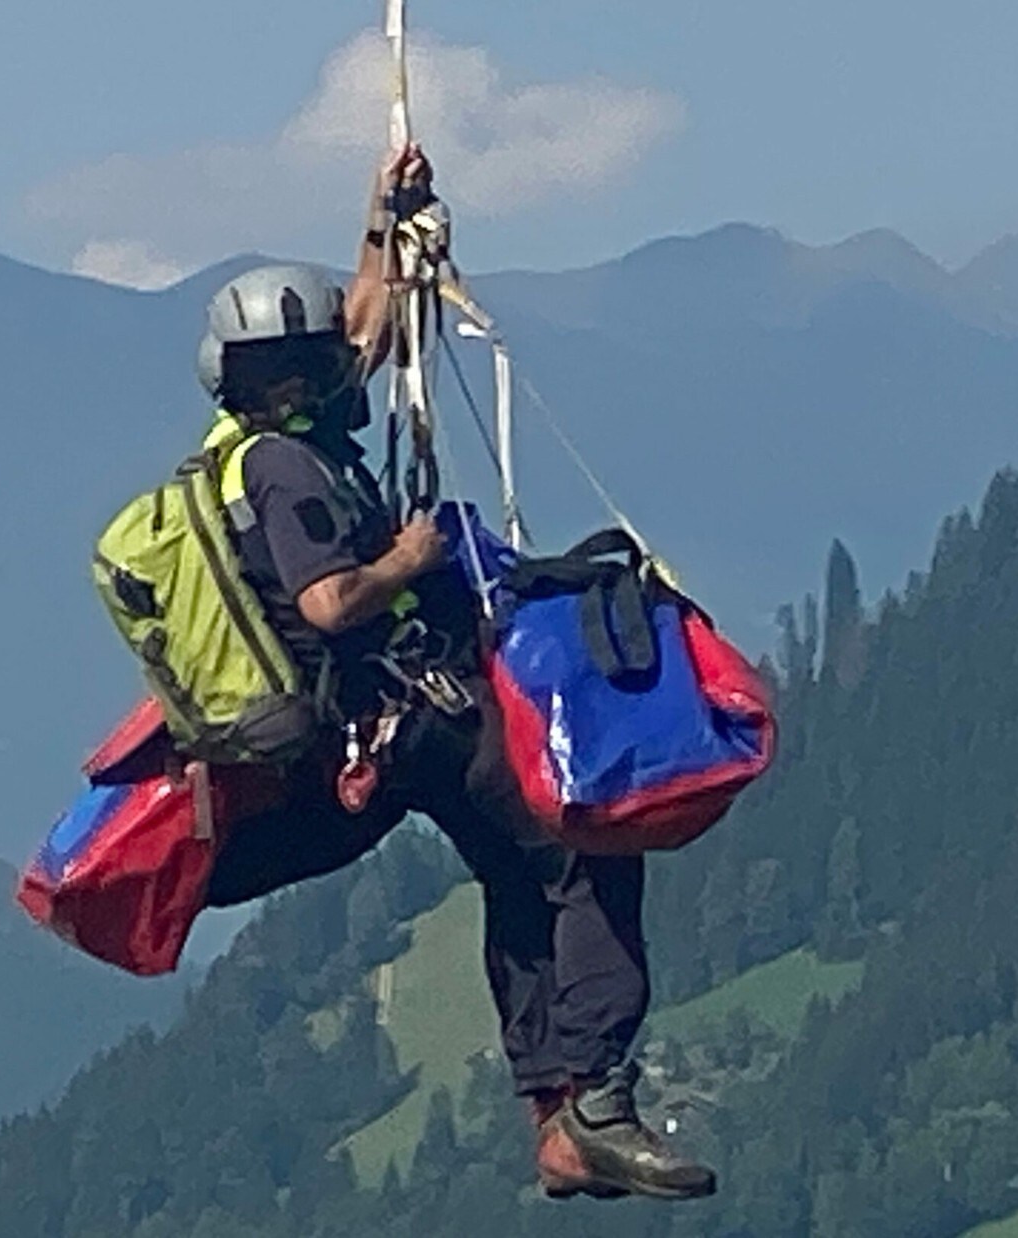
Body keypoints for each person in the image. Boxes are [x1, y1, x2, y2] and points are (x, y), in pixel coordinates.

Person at [193, 147, 717, 1202]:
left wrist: (385, 215)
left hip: (391, 727)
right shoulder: (284, 465)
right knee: (583, 841)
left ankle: (555, 1114)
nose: (320, 369)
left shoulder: (265, 435)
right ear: (266, 381)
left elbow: (363, 326)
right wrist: (409, 560)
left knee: (517, 874)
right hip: (411, 710)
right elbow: (329, 602)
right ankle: (597, 1097)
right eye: (296, 364)